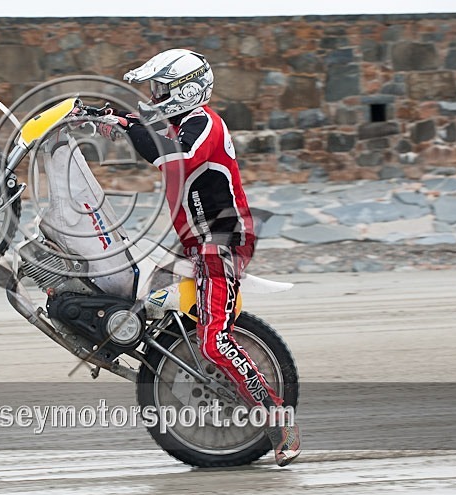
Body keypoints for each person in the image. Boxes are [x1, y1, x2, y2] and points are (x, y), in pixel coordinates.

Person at [95, 49, 301, 467]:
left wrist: (125, 124)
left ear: (186, 91)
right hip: (197, 243)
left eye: (161, 89)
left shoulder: (204, 124)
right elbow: (150, 128)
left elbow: (175, 157)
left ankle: (279, 421)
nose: (154, 96)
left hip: (222, 243)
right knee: (135, 294)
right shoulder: (182, 123)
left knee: (214, 341)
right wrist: (109, 116)